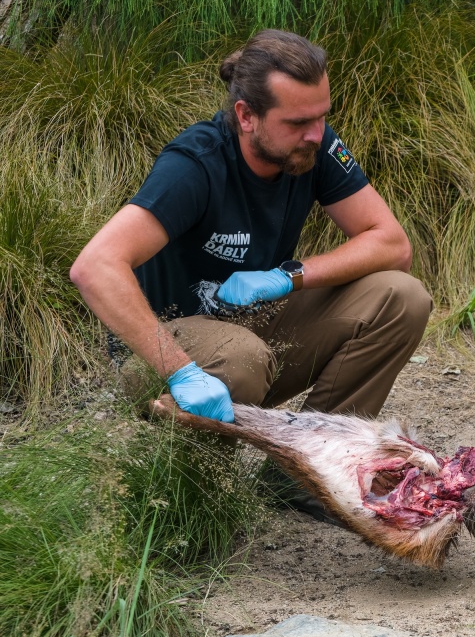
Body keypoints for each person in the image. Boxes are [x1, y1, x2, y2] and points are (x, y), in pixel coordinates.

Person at [70, 29, 432, 523]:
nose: (317, 132)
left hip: (254, 331)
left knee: (402, 298)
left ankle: (300, 476)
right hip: (165, 349)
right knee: (241, 358)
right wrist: (179, 369)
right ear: (246, 116)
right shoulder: (195, 165)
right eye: (300, 121)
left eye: (323, 116)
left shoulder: (313, 149)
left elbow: (392, 243)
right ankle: (198, 499)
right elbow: (94, 266)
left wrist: (289, 275)